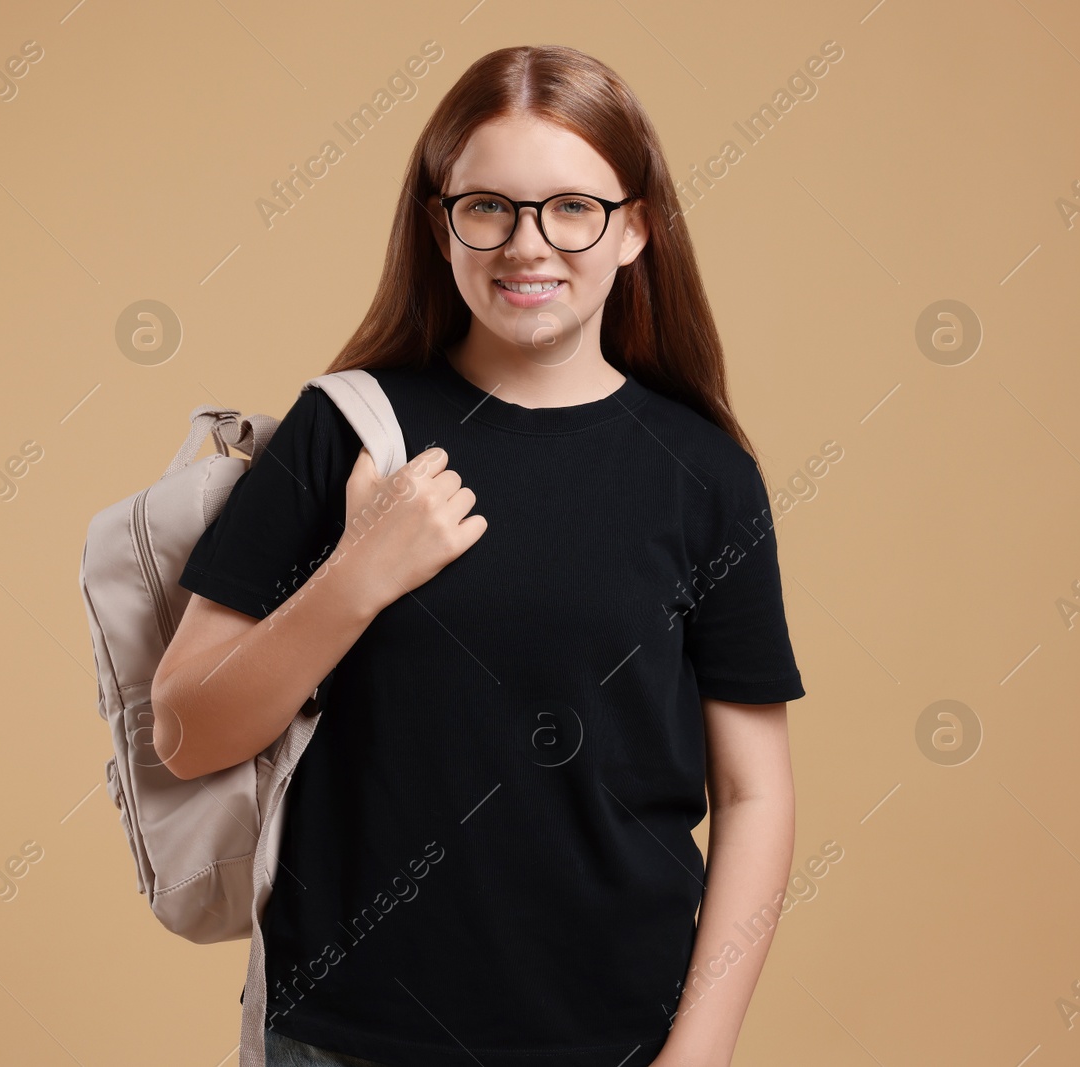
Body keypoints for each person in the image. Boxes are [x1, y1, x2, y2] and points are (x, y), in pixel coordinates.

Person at [150, 43, 804, 1067]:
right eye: (488, 206)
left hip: (620, 1039)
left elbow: (757, 791)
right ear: (437, 221)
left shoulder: (702, 474)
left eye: (572, 207)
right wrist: (357, 574)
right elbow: (186, 731)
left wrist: (700, 1049)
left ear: (634, 227)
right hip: (342, 1036)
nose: (527, 245)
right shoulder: (348, 432)